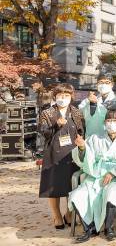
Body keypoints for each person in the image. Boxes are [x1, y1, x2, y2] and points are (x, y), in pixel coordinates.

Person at [69, 102, 116, 242]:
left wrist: (113, 173)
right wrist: (82, 148)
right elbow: (85, 158)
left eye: (115, 120)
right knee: (77, 195)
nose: (111, 123)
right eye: (108, 120)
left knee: (111, 194)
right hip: (95, 176)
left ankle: (109, 228)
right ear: (104, 122)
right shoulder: (95, 138)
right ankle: (90, 228)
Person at [39, 83, 85, 230]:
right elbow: (43, 133)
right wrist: (56, 126)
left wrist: (81, 142)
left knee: (71, 185)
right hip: (53, 153)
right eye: (60, 96)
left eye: (66, 96)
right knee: (54, 186)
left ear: (71, 97)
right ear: (55, 97)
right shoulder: (47, 113)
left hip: (72, 153)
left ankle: (69, 213)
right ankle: (57, 216)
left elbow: (82, 131)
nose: (63, 98)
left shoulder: (76, 113)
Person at [79, 70, 116, 137]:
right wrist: (92, 105)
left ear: (112, 85)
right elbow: (81, 114)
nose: (103, 85)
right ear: (97, 84)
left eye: (107, 82)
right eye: (101, 82)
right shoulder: (87, 101)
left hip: (114, 138)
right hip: (93, 139)